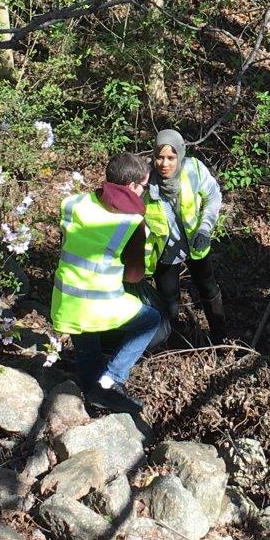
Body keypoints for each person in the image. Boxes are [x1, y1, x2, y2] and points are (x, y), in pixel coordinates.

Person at [51, 151, 166, 416]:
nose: (143, 193)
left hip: (65, 300)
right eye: (144, 187)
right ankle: (112, 378)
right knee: (151, 320)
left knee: (87, 337)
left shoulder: (72, 203)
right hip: (99, 303)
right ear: (132, 186)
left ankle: (93, 391)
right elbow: (134, 276)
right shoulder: (132, 222)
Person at [144, 129, 228, 344]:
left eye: (171, 158)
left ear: (180, 155)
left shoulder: (193, 169)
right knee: (169, 300)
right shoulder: (145, 179)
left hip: (195, 243)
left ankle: (220, 337)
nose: (164, 164)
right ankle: (175, 342)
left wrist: (204, 229)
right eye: (159, 157)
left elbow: (213, 196)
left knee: (208, 288)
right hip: (164, 251)